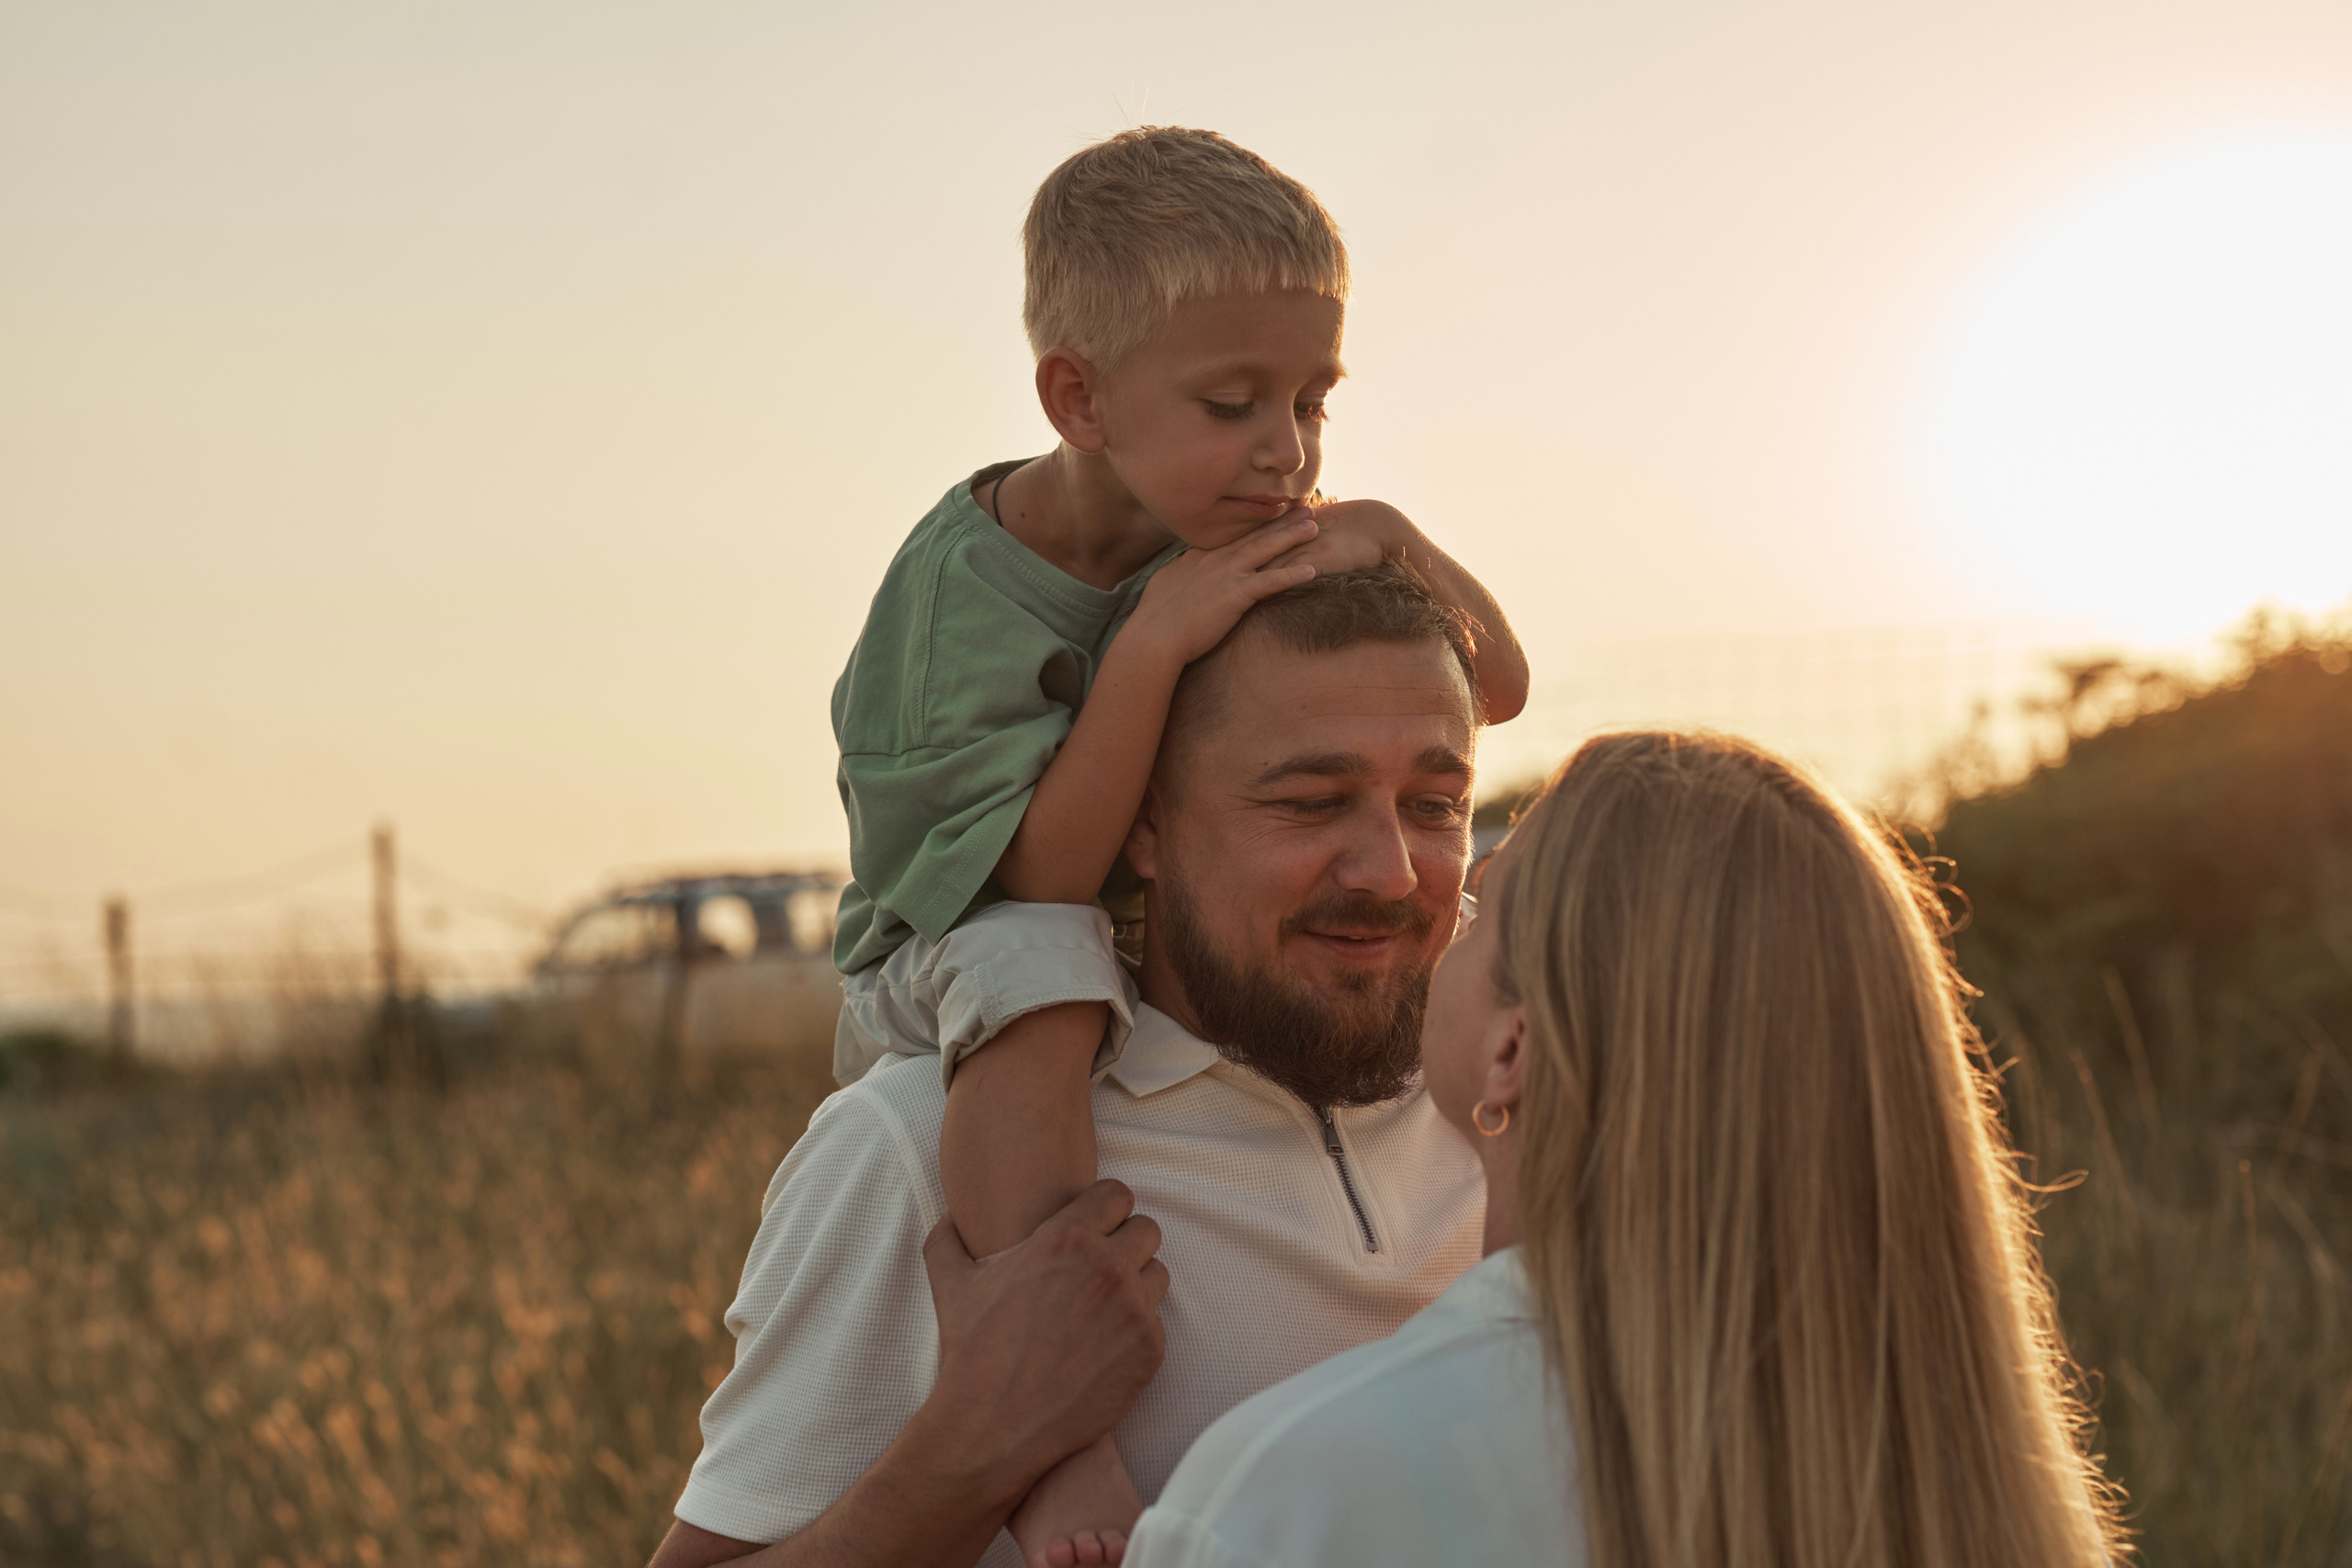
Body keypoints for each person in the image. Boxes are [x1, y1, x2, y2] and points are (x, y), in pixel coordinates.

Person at [828, 123, 1525, 1560]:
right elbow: (1033, 872)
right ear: (1079, 399)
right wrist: (1150, 650)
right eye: (1235, 404)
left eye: (1314, 402)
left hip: (1094, 925)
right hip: (945, 944)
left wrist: (1389, 532)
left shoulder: (1206, 498)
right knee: (1044, 966)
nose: (1287, 454)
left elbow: (1498, 684)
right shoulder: (962, 603)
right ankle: (1053, 1436)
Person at [650, 564, 1490, 1568]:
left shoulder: (1522, 1108)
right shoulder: (927, 1146)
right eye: (1311, 802)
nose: (1390, 871)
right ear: (1141, 820)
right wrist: (969, 1457)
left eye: (1436, 804)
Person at [1125, 730, 2129, 1567]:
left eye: (1486, 904)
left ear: (1513, 1048)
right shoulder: (1955, 1465)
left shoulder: (1296, 1499)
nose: (1435, 918)